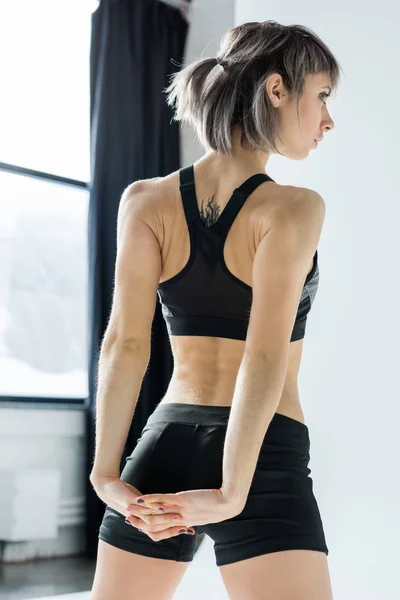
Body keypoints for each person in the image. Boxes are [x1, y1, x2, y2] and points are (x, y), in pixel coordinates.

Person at [89, 20, 341, 600]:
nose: (328, 119)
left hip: (166, 442)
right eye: (322, 95)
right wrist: (231, 491)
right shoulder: (293, 208)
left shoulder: (144, 201)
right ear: (277, 90)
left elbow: (125, 344)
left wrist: (107, 475)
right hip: (262, 449)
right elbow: (263, 352)